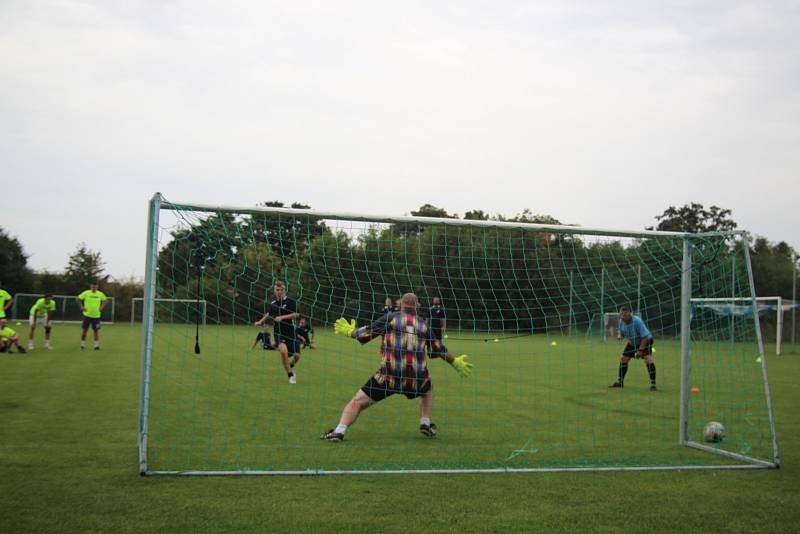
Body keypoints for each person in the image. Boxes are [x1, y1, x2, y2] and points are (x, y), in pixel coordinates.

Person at [321, 292, 473, 442]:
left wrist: (349, 331)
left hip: (388, 377)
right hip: (416, 379)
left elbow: (364, 335)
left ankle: (340, 431)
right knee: (428, 388)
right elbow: (438, 349)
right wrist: (455, 362)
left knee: (357, 402)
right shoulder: (424, 325)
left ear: (400, 305)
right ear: (417, 306)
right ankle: (425, 423)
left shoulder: (390, 318)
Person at [254, 280, 301, 384]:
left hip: (291, 332)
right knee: (283, 351)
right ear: (274, 291)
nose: (279, 291)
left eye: (281, 289)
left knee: (297, 356)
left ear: (284, 290)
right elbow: (268, 314)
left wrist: (282, 317)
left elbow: (296, 314)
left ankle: (290, 366)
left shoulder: (290, 301)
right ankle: (290, 375)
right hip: (279, 332)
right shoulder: (273, 303)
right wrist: (260, 322)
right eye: (277, 290)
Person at [609, 305, 657, 391]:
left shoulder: (637, 321)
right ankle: (620, 382)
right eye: (621, 315)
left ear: (629, 314)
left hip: (645, 341)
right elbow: (622, 332)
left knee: (648, 359)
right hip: (632, 342)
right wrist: (620, 335)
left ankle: (653, 384)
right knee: (623, 359)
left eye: (624, 315)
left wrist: (640, 350)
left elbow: (645, 337)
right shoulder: (621, 322)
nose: (622, 317)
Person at [77, 282, 108, 350]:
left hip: (96, 316)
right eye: (93, 286)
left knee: (96, 331)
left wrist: (102, 307)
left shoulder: (100, 294)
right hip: (87, 315)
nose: (94, 287)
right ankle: (82, 345)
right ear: (90, 286)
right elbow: (78, 299)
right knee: (85, 330)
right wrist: (81, 307)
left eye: (95, 286)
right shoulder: (86, 293)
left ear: (97, 287)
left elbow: (105, 300)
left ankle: (96, 346)